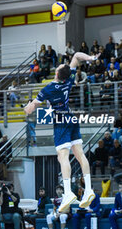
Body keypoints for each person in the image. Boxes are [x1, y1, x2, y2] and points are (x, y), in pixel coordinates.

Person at [24, 52, 98, 212]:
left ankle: (68, 192)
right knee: (80, 155)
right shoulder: (69, 78)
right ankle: (89, 190)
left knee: (62, 156)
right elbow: (77, 56)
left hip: (60, 122)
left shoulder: (48, 88)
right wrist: (91, 59)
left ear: (57, 73)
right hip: (71, 118)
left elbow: (30, 110)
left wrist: (27, 105)